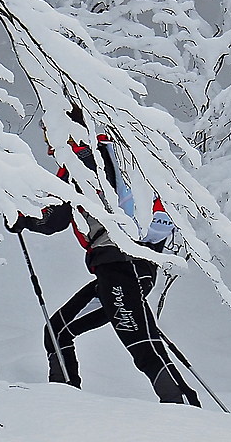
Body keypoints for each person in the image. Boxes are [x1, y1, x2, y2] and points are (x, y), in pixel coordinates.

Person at [11, 112, 200, 406]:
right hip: (128, 267)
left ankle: (184, 409)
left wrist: (23, 219)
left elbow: (57, 218)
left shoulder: (83, 161)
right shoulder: (113, 153)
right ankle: (64, 401)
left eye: (49, 129)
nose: (47, 138)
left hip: (120, 267)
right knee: (58, 331)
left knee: (142, 345)